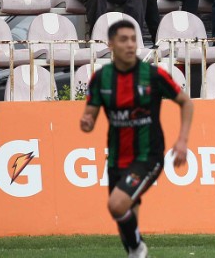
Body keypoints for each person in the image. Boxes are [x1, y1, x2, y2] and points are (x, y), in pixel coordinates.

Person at [80, 20, 193, 258]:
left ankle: (140, 249)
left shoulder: (153, 75)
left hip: (148, 156)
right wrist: (87, 122)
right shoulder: (101, 79)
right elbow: (89, 116)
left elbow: (186, 102)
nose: (130, 45)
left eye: (133, 39)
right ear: (111, 44)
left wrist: (182, 140)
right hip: (117, 159)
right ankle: (137, 250)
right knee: (126, 229)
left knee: (116, 205)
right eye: (123, 40)